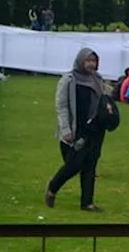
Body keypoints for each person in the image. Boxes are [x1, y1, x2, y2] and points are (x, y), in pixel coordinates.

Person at [46, 48, 109, 211]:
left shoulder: (98, 79)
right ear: (80, 61)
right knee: (74, 164)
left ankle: (87, 202)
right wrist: (65, 129)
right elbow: (61, 106)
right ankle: (53, 187)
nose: (91, 64)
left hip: (95, 129)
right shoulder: (68, 79)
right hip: (76, 129)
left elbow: (104, 100)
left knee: (91, 164)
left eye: (94, 61)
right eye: (88, 61)